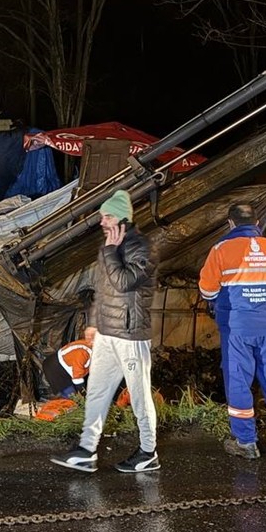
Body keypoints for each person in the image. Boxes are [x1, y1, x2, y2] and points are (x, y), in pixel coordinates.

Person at [50, 189, 160, 475]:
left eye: (107, 216)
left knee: (139, 395)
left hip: (131, 335)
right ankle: (87, 450)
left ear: (123, 219)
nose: (101, 222)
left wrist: (111, 253)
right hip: (107, 335)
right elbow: (104, 290)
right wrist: (95, 322)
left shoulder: (142, 247)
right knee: (97, 392)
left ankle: (148, 452)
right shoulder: (107, 248)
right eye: (101, 216)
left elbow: (124, 283)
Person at [199, 203, 266, 459]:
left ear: (230, 224)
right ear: (257, 223)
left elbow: (207, 291)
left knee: (239, 381)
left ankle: (246, 442)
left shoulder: (220, 250)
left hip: (237, 328)